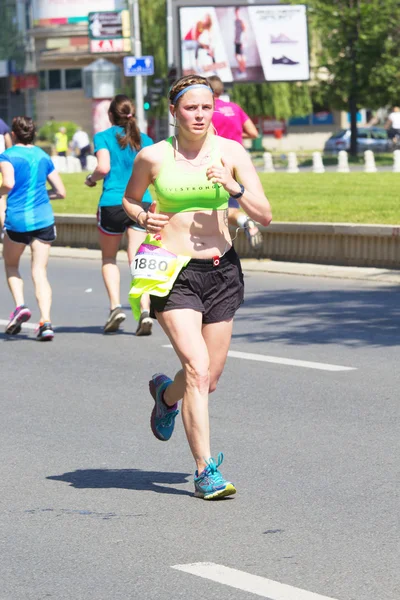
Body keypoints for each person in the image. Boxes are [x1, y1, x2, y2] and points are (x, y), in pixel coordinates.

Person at [122, 75, 272, 499]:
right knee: (197, 369)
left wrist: (234, 187)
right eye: (191, 108)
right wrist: (140, 217)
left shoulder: (231, 152)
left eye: (206, 107)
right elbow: (130, 200)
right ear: (174, 112)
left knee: (210, 378)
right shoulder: (152, 157)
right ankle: (206, 471)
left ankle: (165, 398)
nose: (200, 115)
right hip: (174, 271)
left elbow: (265, 214)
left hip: (222, 271)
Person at [85, 94, 154, 335]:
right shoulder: (146, 140)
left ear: (111, 115)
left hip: (113, 203)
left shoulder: (103, 137)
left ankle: (116, 307)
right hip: (141, 204)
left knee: (109, 259)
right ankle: (145, 310)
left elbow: (103, 168)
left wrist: (91, 179)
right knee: (138, 259)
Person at [0, 116, 66, 340]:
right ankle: (45, 322)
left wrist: (1, 193)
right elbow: (60, 191)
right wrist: (41, 195)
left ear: (14, 134)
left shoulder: (7, 156)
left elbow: (8, 183)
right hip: (43, 220)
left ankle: (20, 306)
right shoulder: (43, 156)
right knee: (40, 271)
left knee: (10, 265)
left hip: (17, 221)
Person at [208, 75, 263, 251]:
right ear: (222, 90)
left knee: (219, 208)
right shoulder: (235, 108)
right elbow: (254, 133)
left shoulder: (208, 110)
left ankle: (241, 222)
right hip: (239, 161)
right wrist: (237, 135)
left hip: (217, 161)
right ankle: (244, 221)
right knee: (233, 200)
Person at [234, 7, 247, 78]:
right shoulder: (236, 21)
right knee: (237, 55)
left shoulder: (242, 21)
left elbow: (245, 31)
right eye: (236, 12)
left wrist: (244, 42)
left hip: (241, 41)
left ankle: (243, 70)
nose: (236, 14)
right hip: (236, 40)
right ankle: (241, 69)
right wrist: (234, 38)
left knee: (241, 56)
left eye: (238, 12)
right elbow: (236, 30)